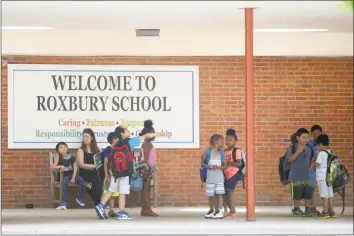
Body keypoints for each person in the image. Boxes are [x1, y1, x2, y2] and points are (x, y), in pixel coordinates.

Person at [95, 125, 162, 220]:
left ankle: (100, 206)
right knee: (123, 192)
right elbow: (146, 136)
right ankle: (121, 213)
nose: (128, 131)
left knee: (111, 190)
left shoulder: (115, 143)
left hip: (115, 171)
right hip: (125, 171)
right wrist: (158, 133)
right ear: (122, 133)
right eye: (126, 130)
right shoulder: (130, 141)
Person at [287, 128, 313, 217]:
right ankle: (296, 209)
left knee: (308, 193)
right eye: (303, 137)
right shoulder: (293, 148)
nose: (306, 139)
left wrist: (311, 166)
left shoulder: (309, 148)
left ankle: (308, 209)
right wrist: (298, 151)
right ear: (298, 138)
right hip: (295, 175)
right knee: (297, 194)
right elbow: (290, 160)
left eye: (307, 137)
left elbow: (312, 159)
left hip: (307, 175)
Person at [52, 142, 85, 210]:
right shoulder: (59, 157)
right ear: (58, 151)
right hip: (63, 176)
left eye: (65, 147)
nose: (63, 149)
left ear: (67, 148)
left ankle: (79, 198)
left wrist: (73, 177)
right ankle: (64, 203)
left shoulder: (72, 157)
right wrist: (60, 166)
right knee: (65, 181)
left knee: (81, 180)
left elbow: (75, 167)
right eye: (61, 148)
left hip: (72, 175)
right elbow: (53, 167)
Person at [310, 134, 336, 218]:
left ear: (320, 144)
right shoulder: (330, 152)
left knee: (324, 195)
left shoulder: (321, 153)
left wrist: (313, 162)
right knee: (329, 195)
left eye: (318, 145)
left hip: (322, 177)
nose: (318, 147)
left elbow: (317, 164)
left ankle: (325, 212)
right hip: (329, 177)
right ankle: (331, 211)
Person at [201, 134, 226, 219]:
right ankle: (212, 210)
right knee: (211, 195)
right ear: (216, 141)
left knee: (219, 194)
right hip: (210, 177)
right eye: (221, 141)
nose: (223, 142)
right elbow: (202, 163)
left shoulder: (222, 152)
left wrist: (219, 167)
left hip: (219, 177)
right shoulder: (207, 151)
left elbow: (225, 165)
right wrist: (208, 166)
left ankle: (219, 211)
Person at [77, 128, 103, 206]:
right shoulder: (81, 150)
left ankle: (99, 204)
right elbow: (81, 164)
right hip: (85, 172)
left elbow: (100, 162)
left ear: (92, 138)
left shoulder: (97, 149)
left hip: (95, 172)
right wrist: (94, 166)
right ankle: (99, 205)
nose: (85, 138)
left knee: (98, 184)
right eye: (84, 136)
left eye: (87, 136)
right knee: (96, 181)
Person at [139, 120, 159, 217]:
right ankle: (147, 209)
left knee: (145, 190)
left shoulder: (146, 144)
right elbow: (145, 160)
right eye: (153, 133)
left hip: (147, 170)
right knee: (146, 191)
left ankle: (144, 209)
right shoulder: (147, 144)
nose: (155, 135)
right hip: (146, 171)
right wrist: (147, 172)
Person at [222, 129, 242, 219]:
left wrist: (229, 163)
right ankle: (231, 209)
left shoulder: (236, 151)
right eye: (226, 140)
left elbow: (239, 163)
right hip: (226, 174)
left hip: (234, 173)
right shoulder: (224, 151)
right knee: (224, 193)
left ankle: (233, 212)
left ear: (235, 141)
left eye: (230, 140)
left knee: (229, 191)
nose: (228, 142)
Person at [103, 132, 120, 217]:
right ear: (114, 139)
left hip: (115, 175)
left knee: (113, 194)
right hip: (108, 175)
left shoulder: (118, 149)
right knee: (106, 193)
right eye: (117, 138)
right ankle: (101, 210)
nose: (118, 140)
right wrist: (106, 175)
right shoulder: (108, 149)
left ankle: (111, 210)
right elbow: (105, 163)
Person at [307, 125, 322, 216]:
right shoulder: (309, 144)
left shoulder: (324, 143)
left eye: (318, 133)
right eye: (314, 134)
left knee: (324, 188)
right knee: (312, 188)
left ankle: (327, 208)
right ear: (311, 134)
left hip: (322, 169)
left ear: (321, 133)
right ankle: (311, 207)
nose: (316, 135)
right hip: (312, 169)